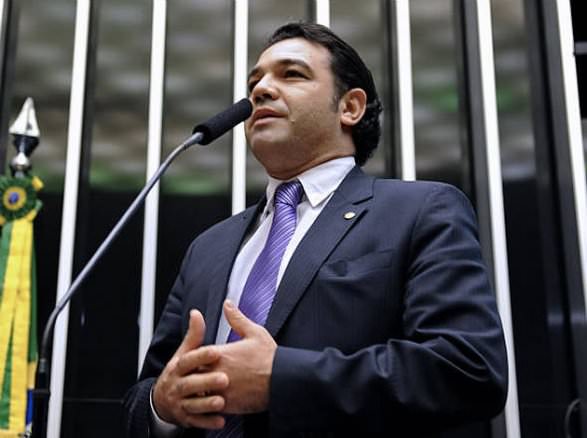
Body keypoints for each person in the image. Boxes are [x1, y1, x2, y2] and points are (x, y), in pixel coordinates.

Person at [124, 21, 508, 437]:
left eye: (292, 74)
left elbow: (467, 369)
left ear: (350, 107)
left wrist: (280, 378)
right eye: (254, 82)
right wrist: (162, 405)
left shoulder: (420, 211)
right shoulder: (209, 247)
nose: (260, 90)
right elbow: (147, 391)